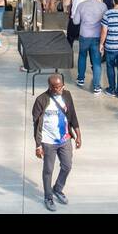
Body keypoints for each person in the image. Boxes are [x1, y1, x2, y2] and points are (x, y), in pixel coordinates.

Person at [32, 73, 82, 211]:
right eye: (56, 87)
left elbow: (73, 115)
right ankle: (48, 197)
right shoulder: (41, 100)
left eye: (61, 86)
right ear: (50, 87)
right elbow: (36, 125)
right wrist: (37, 146)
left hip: (65, 139)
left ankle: (58, 188)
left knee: (67, 166)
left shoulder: (67, 95)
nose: (59, 90)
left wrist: (78, 135)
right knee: (48, 170)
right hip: (48, 141)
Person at [73, 0, 106, 95]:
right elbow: (105, 23)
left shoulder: (81, 6)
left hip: (84, 35)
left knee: (82, 56)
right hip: (96, 36)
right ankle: (97, 86)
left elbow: (76, 22)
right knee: (96, 61)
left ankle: (81, 78)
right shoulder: (103, 6)